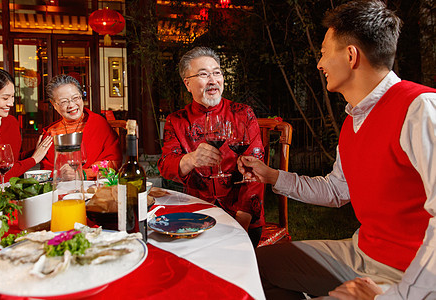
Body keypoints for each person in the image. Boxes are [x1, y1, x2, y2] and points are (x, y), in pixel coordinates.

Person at [238, 0, 436, 299]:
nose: (319, 64)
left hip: (410, 274)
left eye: (323, 53)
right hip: (360, 254)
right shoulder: (354, 120)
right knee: (250, 268)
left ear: (351, 55)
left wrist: (395, 296)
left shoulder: (420, 109)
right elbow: (336, 191)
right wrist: (271, 176)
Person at [158, 46, 265, 247]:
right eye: (204, 74)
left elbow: (257, 170)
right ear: (187, 84)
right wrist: (190, 159)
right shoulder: (177, 121)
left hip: (242, 215)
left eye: (217, 73)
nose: (213, 80)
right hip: (196, 215)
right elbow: (165, 166)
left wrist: (242, 219)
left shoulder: (243, 114)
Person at [40, 74, 122, 179]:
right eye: (64, 101)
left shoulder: (98, 123)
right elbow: (47, 171)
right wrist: (62, 174)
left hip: (96, 186)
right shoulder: (51, 133)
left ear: (81, 97)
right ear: (54, 104)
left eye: (75, 98)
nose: (71, 105)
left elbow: (114, 162)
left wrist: (83, 174)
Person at [0, 67, 52, 182]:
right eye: (5, 98)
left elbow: (13, 162)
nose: (11, 103)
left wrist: (36, 151)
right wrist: (33, 159)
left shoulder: (11, 122)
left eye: (12, 97)